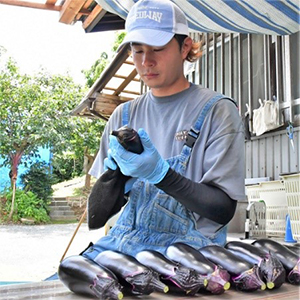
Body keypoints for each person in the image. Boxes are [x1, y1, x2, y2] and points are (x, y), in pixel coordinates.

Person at [58, 0, 245, 297]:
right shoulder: (123, 116)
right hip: (125, 248)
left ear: (185, 48)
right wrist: (115, 176)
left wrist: (161, 174)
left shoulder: (216, 112)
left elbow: (223, 210)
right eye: (138, 50)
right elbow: (96, 217)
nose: (146, 62)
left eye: (157, 49)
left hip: (188, 258)